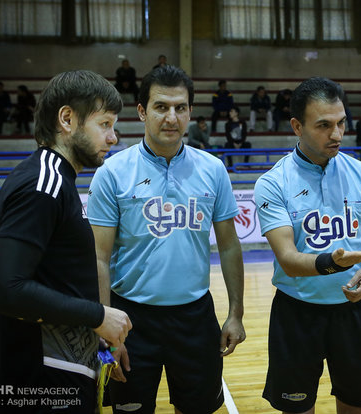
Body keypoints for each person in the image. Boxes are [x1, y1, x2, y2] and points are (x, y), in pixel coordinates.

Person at [87, 65, 246, 414]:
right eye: (161, 106)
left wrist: (236, 312)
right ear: (142, 111)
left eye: (181, 107)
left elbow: (230, 245)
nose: (171, 117)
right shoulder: (112, 173)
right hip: (131, 319)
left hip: (195, 318)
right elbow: (98, 257)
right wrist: (105, 325)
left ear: (190, 111)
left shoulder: (213, 169)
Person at [0, 70, 132, 413]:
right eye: (105, 124)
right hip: (40, 384)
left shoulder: (53, 181)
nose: (113, 138)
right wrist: (97, 315)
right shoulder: (43, 184)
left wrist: (91, 332)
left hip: (57, 376)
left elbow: (55, 282)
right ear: (67, 119)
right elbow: (6, 289)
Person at [254, 77, 361, 414]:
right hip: (297, 314)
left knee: (355, 407)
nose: (336, 134)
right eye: (323, 125)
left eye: (341, 123)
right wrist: (334, 263)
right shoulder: (273, 184)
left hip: (355, 310)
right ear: (296, 127)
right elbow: (288, 260)